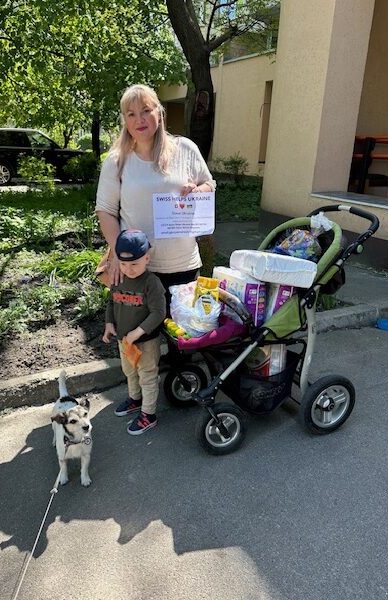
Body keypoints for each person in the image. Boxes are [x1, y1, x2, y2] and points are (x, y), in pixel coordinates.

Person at [95, 83, 216, 306]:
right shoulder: (117, 160)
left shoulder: (185, 149)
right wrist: (120, 254)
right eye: (131, 114)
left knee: (182, 328)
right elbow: (106, 211)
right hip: (136, 269)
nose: (139, 120)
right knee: (140, 330)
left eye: (146, 111)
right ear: (125, 120)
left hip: (183, 266)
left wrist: (198, 191)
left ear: (159, 113)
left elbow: (209, 184)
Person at [103, 229, 166, 435]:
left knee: (147, 376)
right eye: (124, 264)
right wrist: (109, 323)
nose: (129, 270)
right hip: (124, 340)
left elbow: (159, 313)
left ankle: (149, 414)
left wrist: (137, 333)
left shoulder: (151, 283)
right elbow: (111, 303)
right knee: (130, 371)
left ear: (147, 258)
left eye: (134, 264)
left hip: (145, 341)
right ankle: (135, 399)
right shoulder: (119, 278)